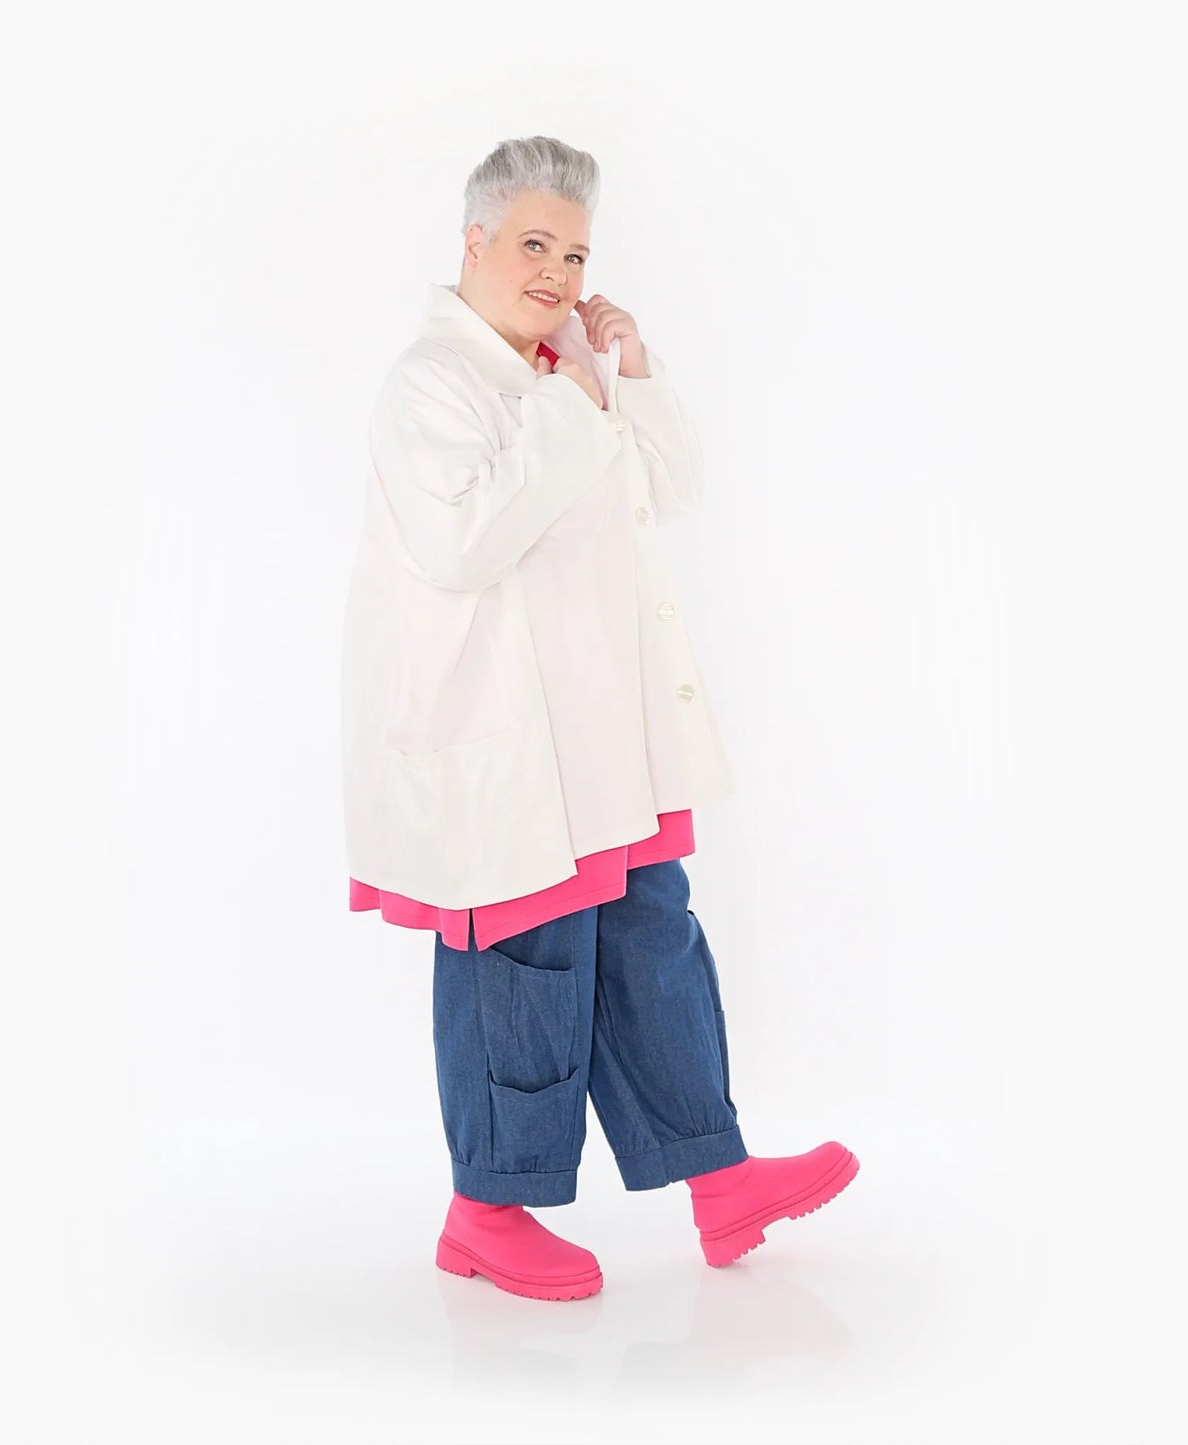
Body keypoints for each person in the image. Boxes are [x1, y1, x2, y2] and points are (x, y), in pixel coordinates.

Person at [341, 135, 859, 1301]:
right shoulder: (432, 382)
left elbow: (668, 490)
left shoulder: (561, 365)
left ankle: (716, 1175)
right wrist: (569, 403)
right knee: (525, 966)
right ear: (472, 240)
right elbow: (460, 543)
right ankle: (484, 1209)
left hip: (602, 740)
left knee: (651, 941)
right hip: (505, 749)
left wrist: (628, 370)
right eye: (534, 244)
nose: (558, 273)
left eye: (574, 254)